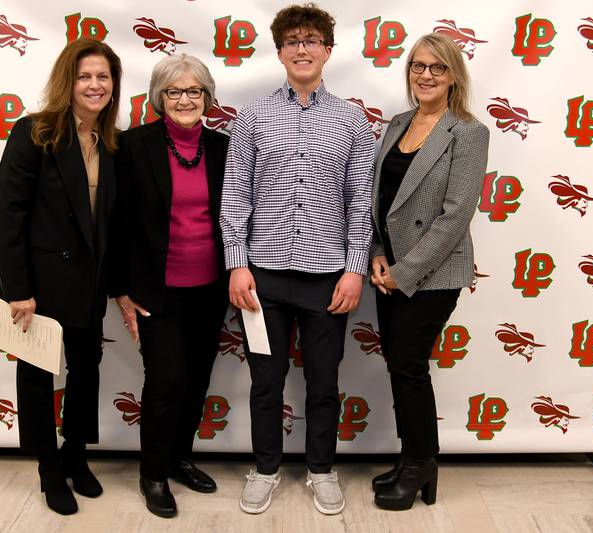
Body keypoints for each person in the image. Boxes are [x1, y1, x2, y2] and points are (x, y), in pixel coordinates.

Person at [220, 3, 375, 516]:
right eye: (292, 41)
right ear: (280, 51)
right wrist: (238, 264)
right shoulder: (252, 117)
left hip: (327, 280)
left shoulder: (352, 119)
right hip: (262, 278)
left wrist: (355, 269)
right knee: (265, 380)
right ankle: (264, 469)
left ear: (328, 51)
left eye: (312, 40)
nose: (302, 49)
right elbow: (236, 196)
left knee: (324, 382)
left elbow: (359, 203)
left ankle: (322, 469)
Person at [0, 38, 121, 515]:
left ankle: (75, 456)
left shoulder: (110, 142)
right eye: (85, 76)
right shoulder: (34, 133)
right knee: (38, 376)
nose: (94, 85)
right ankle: (49, 468)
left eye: (103, 77)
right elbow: (9, 215)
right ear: (69, 81)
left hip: (88, 283)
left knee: (87, 372)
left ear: (113, 85)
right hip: (39, 287)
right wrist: (19, 289)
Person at [369, 33, 489, 511]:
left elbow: (456, 214)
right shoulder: (398, 122)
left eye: (437, 67)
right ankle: (412, 458)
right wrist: (379, 253)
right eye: (418, 65)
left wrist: (406, 271)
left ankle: (421, 463)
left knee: (410, 367)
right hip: (388, 269)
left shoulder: (468, 131)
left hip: (432, 273)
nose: (425, 75)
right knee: (401, 367)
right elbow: (382, 199)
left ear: (454, 74)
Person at [109, 54, 230, 519]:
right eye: (175, 92)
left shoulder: (222, 147)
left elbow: (236, 216)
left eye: (194, 91)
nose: (184, 100)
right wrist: (121, 289)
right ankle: (152, 474)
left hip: (210, 287)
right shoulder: (133, 146)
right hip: (155, 290)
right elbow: (116, 226)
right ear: (160, 97)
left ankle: (180, 457)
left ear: (207, 97)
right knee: (165, 381)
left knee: (197, 379)